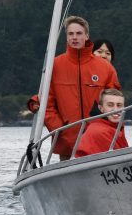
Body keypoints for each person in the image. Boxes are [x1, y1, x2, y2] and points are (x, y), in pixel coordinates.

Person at [44, 16, 121, 160]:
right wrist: (59, 129)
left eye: (79, 33)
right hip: (67, 141)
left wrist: (104, 130)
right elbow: (47, 103)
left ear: (86, 36)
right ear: (66, 37)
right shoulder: (54, 66)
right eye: (70, 34)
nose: (74, 37)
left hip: (99, 141)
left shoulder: (105, 67)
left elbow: (116, 104)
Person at [74, 88, 130, 157]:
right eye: (110, 105)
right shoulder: (99, 131)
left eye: (119, 105)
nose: (115, 109)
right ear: (101, 108)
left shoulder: (114, 127)